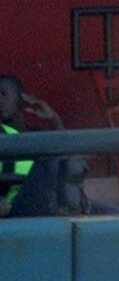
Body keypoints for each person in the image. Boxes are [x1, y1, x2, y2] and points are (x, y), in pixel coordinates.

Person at [0, 73, 97, 217]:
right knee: (49, 159)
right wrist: (25, 179)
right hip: (14, 208)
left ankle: (74, 209)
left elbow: (68, 157)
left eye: (3, 94)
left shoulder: (38, 133)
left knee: (65, 157)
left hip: (49, 203)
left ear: (22, 98)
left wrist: (54, 119)